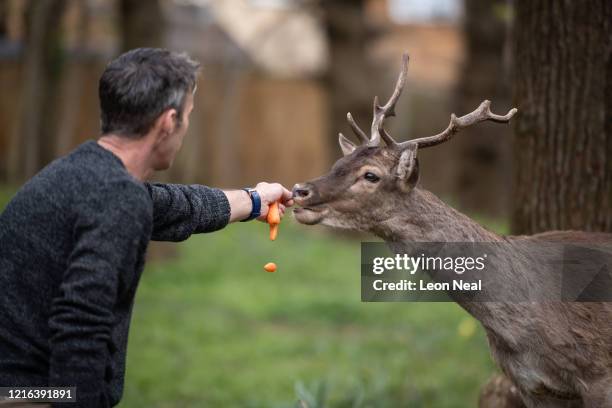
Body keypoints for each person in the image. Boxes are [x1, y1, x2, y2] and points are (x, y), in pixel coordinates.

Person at [0, 48, 294, 407]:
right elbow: (80, 324)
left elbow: (173, 208)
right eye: (187, 118)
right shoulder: (116, 197)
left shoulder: (83, 174)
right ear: (168, 122)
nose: (185, 129)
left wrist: (254, 200)